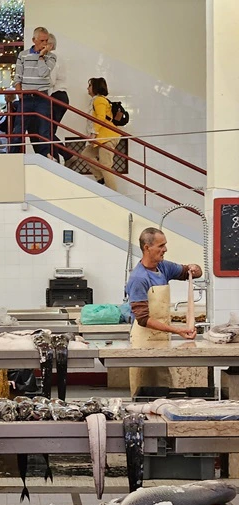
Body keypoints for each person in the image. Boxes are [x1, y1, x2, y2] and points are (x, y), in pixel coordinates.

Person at [126, 227, 203, 397]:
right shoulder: (138, 278)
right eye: (161, 246)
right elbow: (143, 319)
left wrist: (194, 268)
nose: (165, 249)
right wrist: (178, 330)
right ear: (147, 248)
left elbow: (187, 271)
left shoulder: (163, 268)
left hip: (162, 340)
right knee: (144, 392)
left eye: (165, 245)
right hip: (143, 343)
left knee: (165, 389)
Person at [13, 26, 56, 158]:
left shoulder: (51, 57)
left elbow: (43, 73)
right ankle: (13, 154)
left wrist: (41, 56)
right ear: (34, 40)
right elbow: (17, 77)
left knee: (44, 128)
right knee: (19, 128)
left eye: (46, 41)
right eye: (42, 41)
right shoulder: (23, 55)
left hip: (42, 96)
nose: (45, 44)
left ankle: (45, 155)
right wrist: (19, 94)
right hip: (26, 97)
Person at [81, 77, 121, 190]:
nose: (87, 88)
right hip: (101, 138)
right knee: (86, 154)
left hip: (107, 137)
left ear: (96, 87)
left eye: (89, 86)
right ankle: (100, 178)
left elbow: (101, 117)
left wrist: (93, 133)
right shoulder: (96, 100)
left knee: (106, 166)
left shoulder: (99, 100)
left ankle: (114, 196)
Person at [47, 33, 72, 163]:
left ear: (50, 45)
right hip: (60, 97)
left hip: (56, 96)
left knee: (46, 131)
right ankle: (56, 158)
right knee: (50, 131)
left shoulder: (53, 57)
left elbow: (51, 80)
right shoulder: (58, 57)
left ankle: (67, 155)